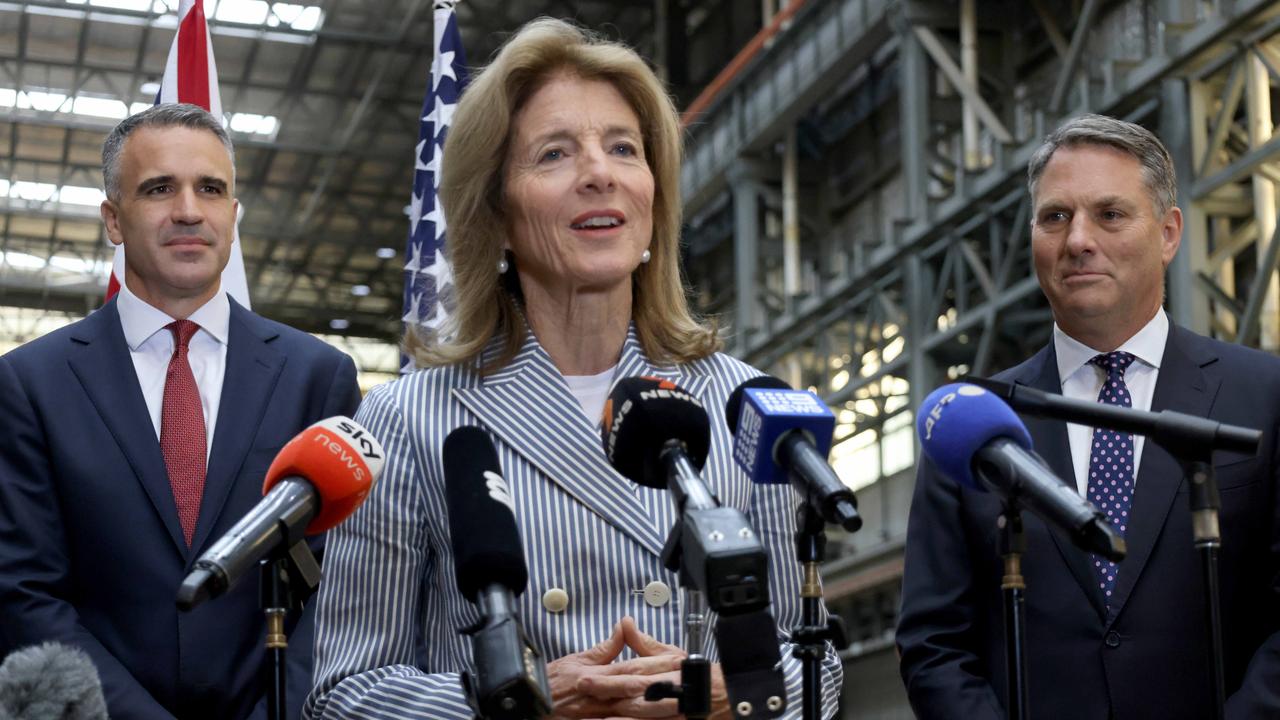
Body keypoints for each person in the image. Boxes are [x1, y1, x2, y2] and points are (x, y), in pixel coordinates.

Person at [305, 18, 843, 720]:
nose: (600, 173)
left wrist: (733, 691)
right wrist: (511, 703)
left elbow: (818, 668)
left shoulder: (747, 402)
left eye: (623, 148)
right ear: (495, 215)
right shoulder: (407, 418)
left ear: (654, 195)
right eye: (555, 154)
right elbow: (345, 692)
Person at [896, 113, 1280, 719]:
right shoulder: (971, 425)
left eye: (1110, 214)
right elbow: (933, 644)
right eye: (1055, 217)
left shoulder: (1266, 396)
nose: (1077, 240)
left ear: (1169, 233)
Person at [0, 103, 362, 719]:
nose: (189, 210)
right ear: (113, 219)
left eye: (211, 189)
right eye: (159, 188)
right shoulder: (29, 384)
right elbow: (23, 594)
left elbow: (346, 585)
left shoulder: (317, 377)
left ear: (234, 214)